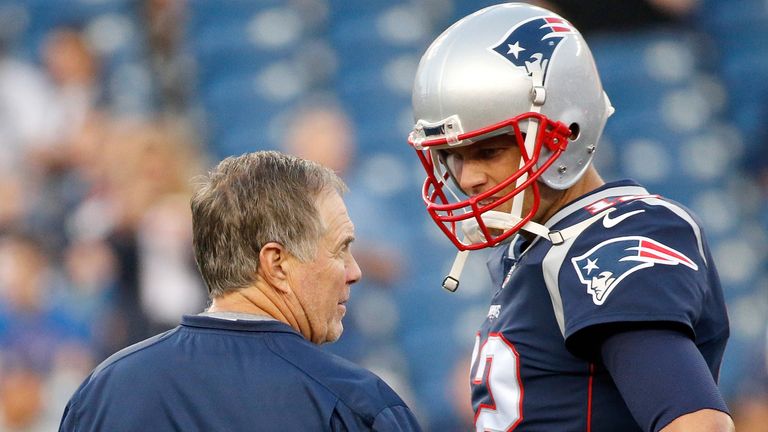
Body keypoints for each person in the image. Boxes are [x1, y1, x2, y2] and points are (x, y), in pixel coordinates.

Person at [407, 3, 733, 432]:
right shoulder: (537, 244)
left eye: (489, 151)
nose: (469, 178)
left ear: (567, 132)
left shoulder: (609, 236)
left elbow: (698, 425)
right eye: (452, 156)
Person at [58, 151, 423, 431]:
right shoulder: (354, 402)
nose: (354, 271)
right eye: (340, 248)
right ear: (277, 264)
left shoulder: (105, 391)